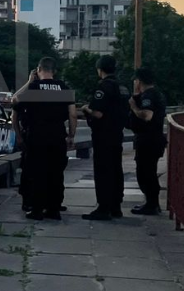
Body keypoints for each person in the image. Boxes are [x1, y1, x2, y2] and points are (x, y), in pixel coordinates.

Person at [11, 57, 77, 221]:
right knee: (56, 173)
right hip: (57, 136)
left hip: (37, 137)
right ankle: (54, 210)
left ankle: (37, 210)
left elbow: (14, 101)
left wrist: (29, 82)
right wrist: (71, 136)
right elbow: (73, 114)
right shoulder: (64, 88)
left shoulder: (33, 88)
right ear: (54, 71)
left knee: (37, 173)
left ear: (38, 70)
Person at [80, 55, 127, 221]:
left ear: (100, 70)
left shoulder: (104, 86)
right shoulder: (122, 87)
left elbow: (98, 113)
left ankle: (103, 207)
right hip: (117, 133)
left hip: (103, 135)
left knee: (103, 170)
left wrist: (86, 109)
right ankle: (116, 206)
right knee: (116, 169)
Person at [128, 67, 167, 215]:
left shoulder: (148, 96)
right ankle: (151, 203)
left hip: (148, 140)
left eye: (135, 80)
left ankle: (151, 204)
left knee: (145, 173)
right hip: (154, 139)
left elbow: (147, 115)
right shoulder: (157, 94)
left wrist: (134, 107)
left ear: (139, 81)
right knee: (149, 172)